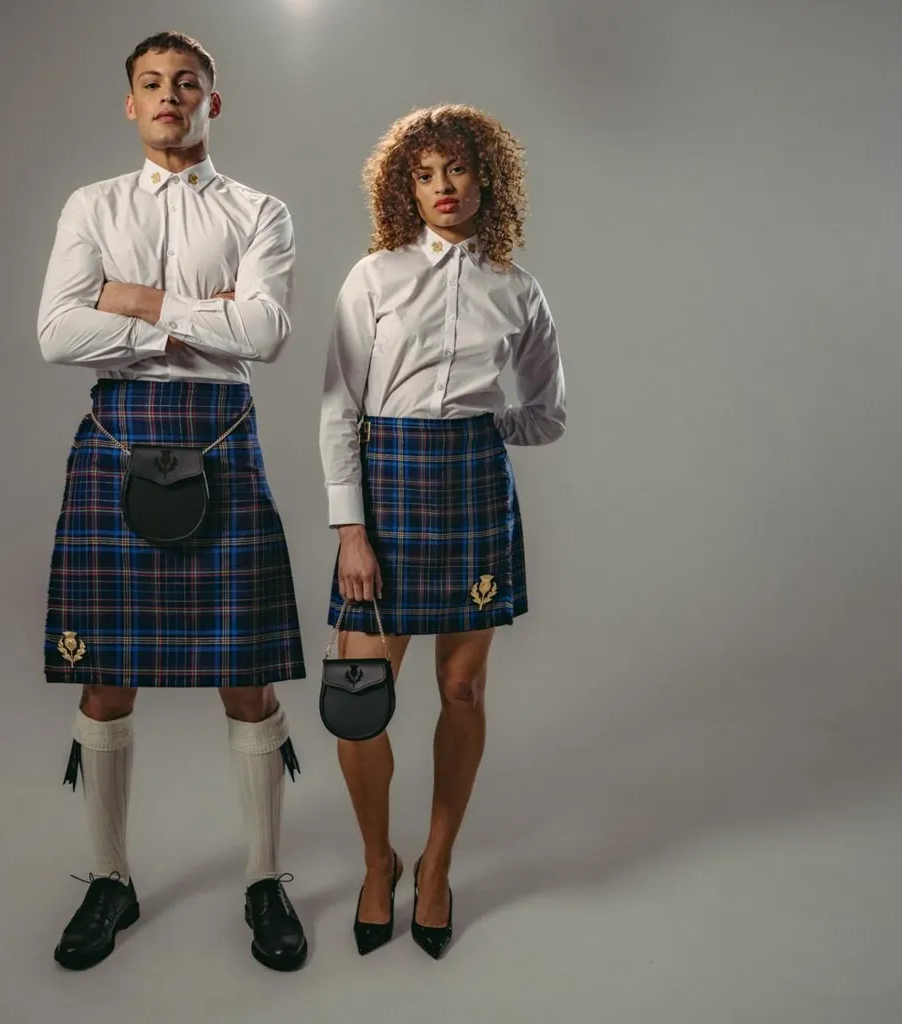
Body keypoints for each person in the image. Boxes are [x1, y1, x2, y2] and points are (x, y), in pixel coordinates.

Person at [36, 31, 308, 973]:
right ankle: (110, 879)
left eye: (184, 83)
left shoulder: (260, 210)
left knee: (248, 673)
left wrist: (135, 306)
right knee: (105, 675)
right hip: (117, 443)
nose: (168, 96)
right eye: (150, 84)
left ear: (212, 102)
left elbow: (266, 332)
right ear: (129, 103)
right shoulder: (91, 204)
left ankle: (265, 880)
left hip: (223, 437)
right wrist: (199, 317)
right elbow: (55, 331)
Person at [317, 104, 567, 959]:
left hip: (470, 492)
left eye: (455, 169)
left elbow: (547, 411)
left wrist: (484, 429)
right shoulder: (374, 276)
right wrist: (350, 526)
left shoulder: (518, 287)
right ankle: (375, 863)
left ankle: (434, 866)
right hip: (383, 493)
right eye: (423, 174)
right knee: (357, 700)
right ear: (403, 186)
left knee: (461, 693)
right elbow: (337, 408)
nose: (442, 187)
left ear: (485, 176)